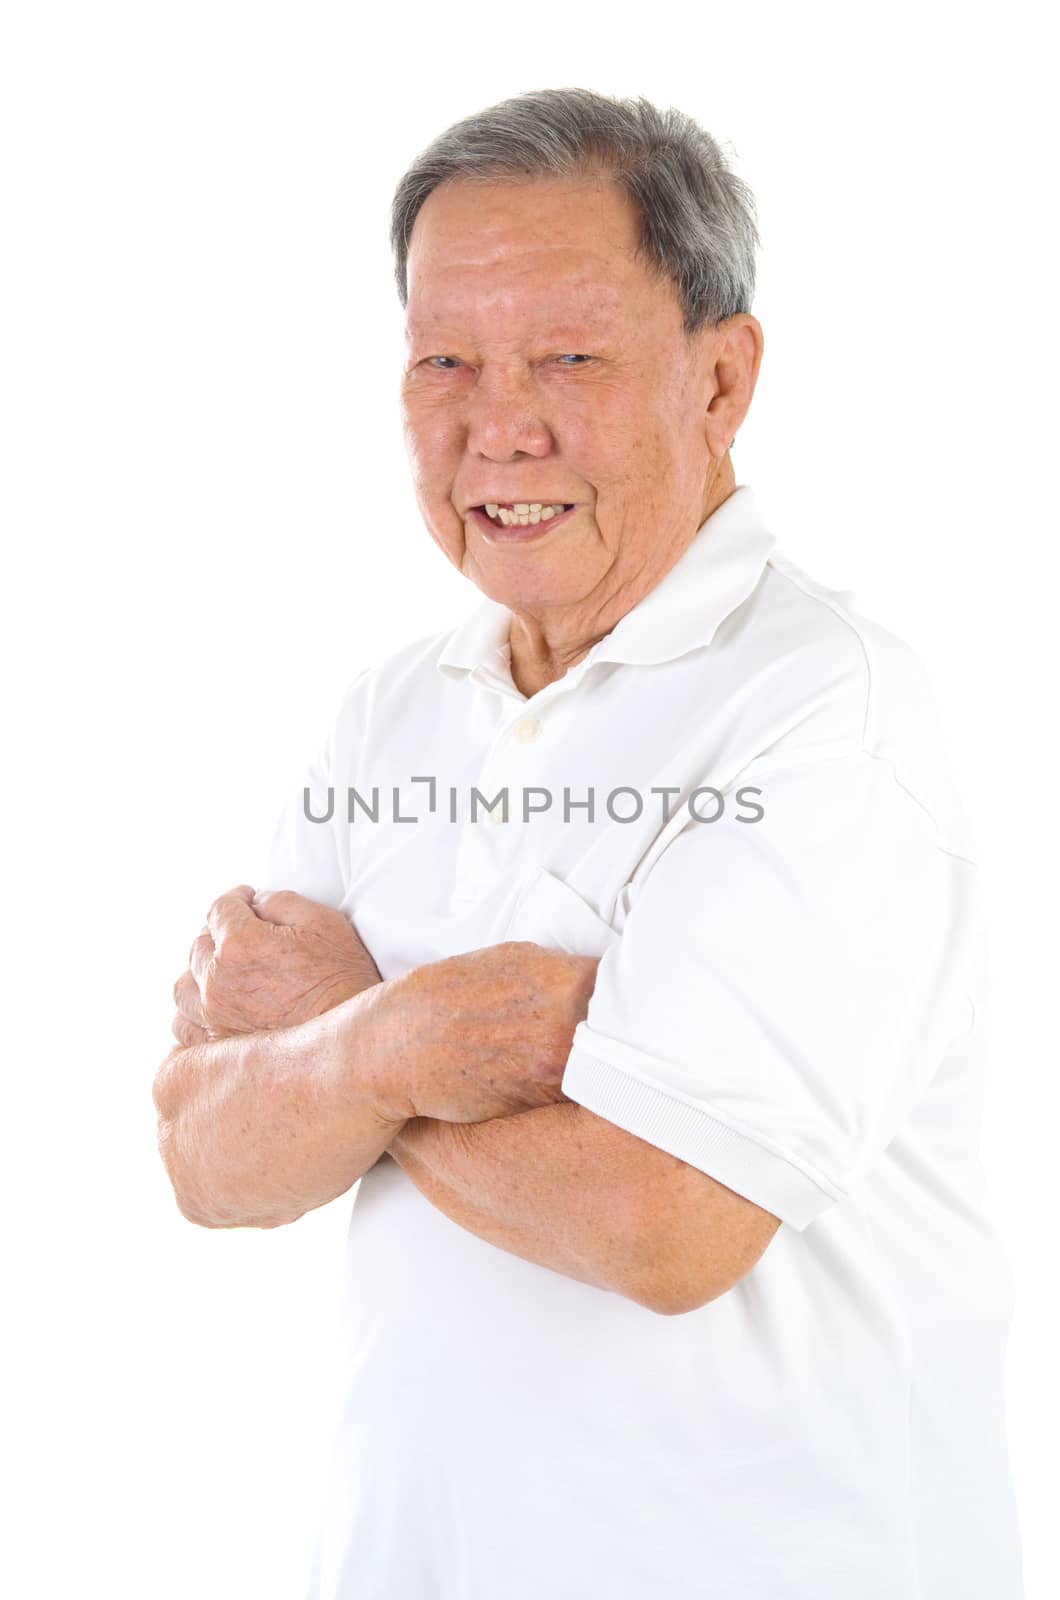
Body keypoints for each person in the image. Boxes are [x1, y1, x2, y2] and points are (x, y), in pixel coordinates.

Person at [154, 88, 1024, 1600]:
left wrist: (351, 1056)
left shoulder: (824, 709)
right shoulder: (388, 712)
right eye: (446, 361)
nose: (503, 427)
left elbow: (665, 1220)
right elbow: (204, 1154)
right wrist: (395, 1043)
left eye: (569, 356)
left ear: (722, 377)